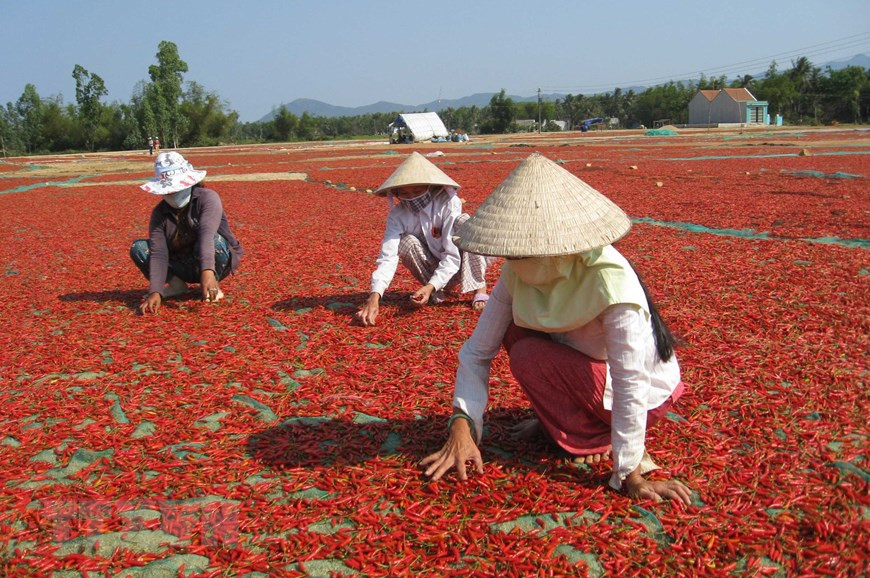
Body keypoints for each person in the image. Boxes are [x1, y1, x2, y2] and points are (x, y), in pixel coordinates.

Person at [420, 153, 692, 505]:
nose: (512, 262)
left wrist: (631, 473)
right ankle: (561, 423)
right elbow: (478, 350)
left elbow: (630, 380)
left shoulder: (610, 283)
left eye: (521, 254)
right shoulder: (520, 271)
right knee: (513, 331)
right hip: (585, 367)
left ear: (554, 246)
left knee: (529, 354)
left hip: (642, 396)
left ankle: (592, 436)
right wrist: (462, 423)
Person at [355, 152, 491, 327]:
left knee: (464, 222)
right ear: (396, 193)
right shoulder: (398, 215)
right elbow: (388, 256)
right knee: (407, 242)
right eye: (404, 193)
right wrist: (375, 295)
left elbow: (452, 254)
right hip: (431, 266)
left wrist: (431, 286)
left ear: (430, 187)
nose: (412, 197)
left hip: (461, 261)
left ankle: (479, 287)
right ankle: (435, 289)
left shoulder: (448, 203)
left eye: (417, 191)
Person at [130, 151, 244, 314]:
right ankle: (176, 285)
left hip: (216, 259)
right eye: (168, 190)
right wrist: (155, 291)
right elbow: (158, 253)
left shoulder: (207, 199)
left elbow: (206, 235)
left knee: (215, 240)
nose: (172, 193)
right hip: (181, 264)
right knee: (139, 248)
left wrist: (207, 271)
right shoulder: (159, 213)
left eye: (176, 189)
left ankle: (213, 283)